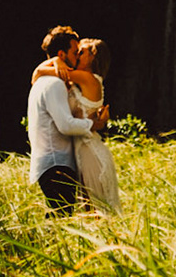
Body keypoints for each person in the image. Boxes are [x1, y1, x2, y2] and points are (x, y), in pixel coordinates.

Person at [33, 37, 121, 212]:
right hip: (80, 150)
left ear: (93, 58)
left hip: (89, 150)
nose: (78, 55)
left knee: (97, 208)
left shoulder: (88, 78)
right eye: (77, 52)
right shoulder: (79, 82)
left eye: (82, 52)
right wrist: (57, 60)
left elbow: (37, 73)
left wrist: (56, 61)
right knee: (89, 208)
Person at [28, 26, 94, 212]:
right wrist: (93, 124)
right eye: (74, 52)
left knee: (59, 221)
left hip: (52, 163)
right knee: (62, 221)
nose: (77, 56)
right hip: (57, 164)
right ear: (61, 54)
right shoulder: (54, 84)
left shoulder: (44, 81)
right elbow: (65, 125)